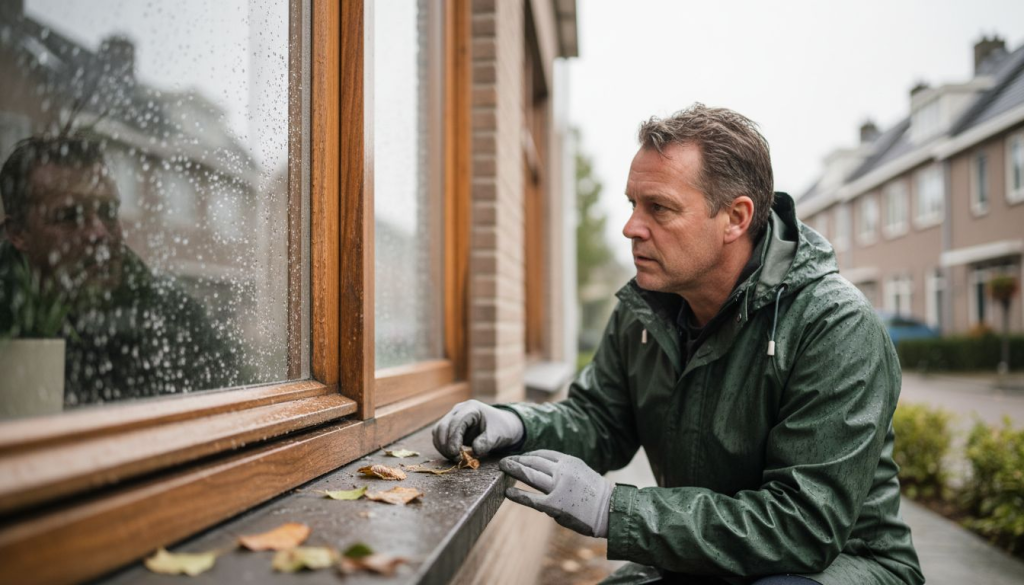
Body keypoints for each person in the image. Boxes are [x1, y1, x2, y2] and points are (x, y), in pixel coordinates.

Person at [433, 105, 924, 585]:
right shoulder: (645, 308)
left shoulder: (834, 325)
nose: (631, 228)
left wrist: (614, 510)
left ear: (735, 218)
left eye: (659, 208)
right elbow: (601, 421)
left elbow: (803, 526)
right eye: (632, 204)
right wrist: (515, 424)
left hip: (836, 566)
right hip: (703, 558)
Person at [0, 134, 242, 407]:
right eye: (69, 216)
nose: (98, 233)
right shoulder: (9, 314)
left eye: (108, 212)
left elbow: (242, 411)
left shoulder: (172, 313)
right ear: (18, 233)